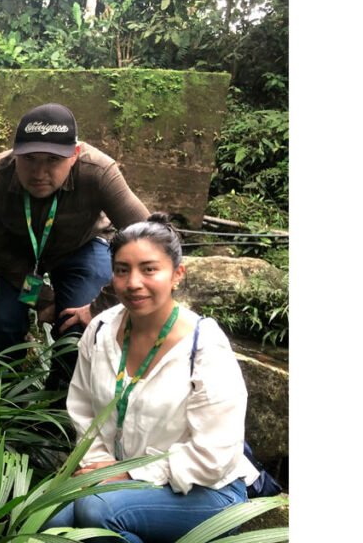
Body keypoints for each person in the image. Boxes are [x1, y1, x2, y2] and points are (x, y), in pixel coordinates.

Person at [42, 214, 260, 542]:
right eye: (122, 270)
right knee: (48, 519)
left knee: (96, 511)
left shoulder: (204, 346)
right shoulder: (100, 331)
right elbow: (84, 411)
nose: (133, 283)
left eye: (149, 269)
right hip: (120, 479)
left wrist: (126, 474)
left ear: (177, 275)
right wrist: (100, 466)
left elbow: (214, 455)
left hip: (206, 489)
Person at [0, 102, 149, 389]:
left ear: (75, 155)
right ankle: (3, 399)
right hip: (17, 255)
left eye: (53, 160)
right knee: (4, 322)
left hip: (79, 246)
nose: (39, 172)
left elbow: (152, 237)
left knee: (79, 328)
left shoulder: (99, 171)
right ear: (14, 153)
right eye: (29, 158)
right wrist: (42, 298)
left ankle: (60, 402)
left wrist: (99, 305)